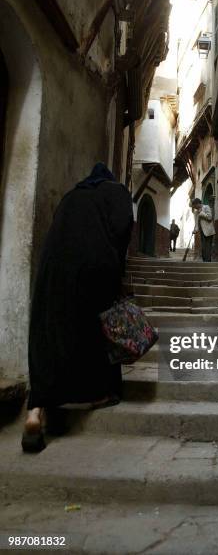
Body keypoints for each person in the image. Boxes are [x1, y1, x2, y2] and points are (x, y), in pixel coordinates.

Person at [22, 163, 134, 453]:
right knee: (101, 326)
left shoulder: (73, 195)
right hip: (96, 264)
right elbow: (122, 229)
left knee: (50, 331)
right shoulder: (116, 192)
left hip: (54, 265)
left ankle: (35, 411)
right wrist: (118, 271)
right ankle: (100, 393)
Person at [192, 198, 216, 262]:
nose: (195, 208)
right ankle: (205, 260)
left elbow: (210, 217)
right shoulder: (196, 212)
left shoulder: (206, 207)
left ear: (198, 204)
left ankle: (208, 261)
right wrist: (195, 230)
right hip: (202, 232)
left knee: (208, 246)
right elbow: (197, 223)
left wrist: (201, 213)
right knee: (203, 247)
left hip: (209, 231)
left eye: (195, 206)